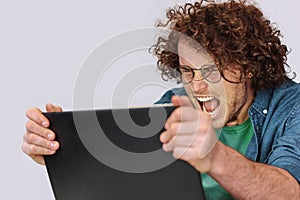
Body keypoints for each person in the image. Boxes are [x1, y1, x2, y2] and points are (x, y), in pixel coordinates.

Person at [22, 0, 300, 199]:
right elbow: (129, 175)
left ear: (249, 66)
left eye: (211, 71)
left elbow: (289, 193)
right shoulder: (175, 103)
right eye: (188, 71)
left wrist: (215, 157)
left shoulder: (292, 109)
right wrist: (61, 151)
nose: (198, 85)